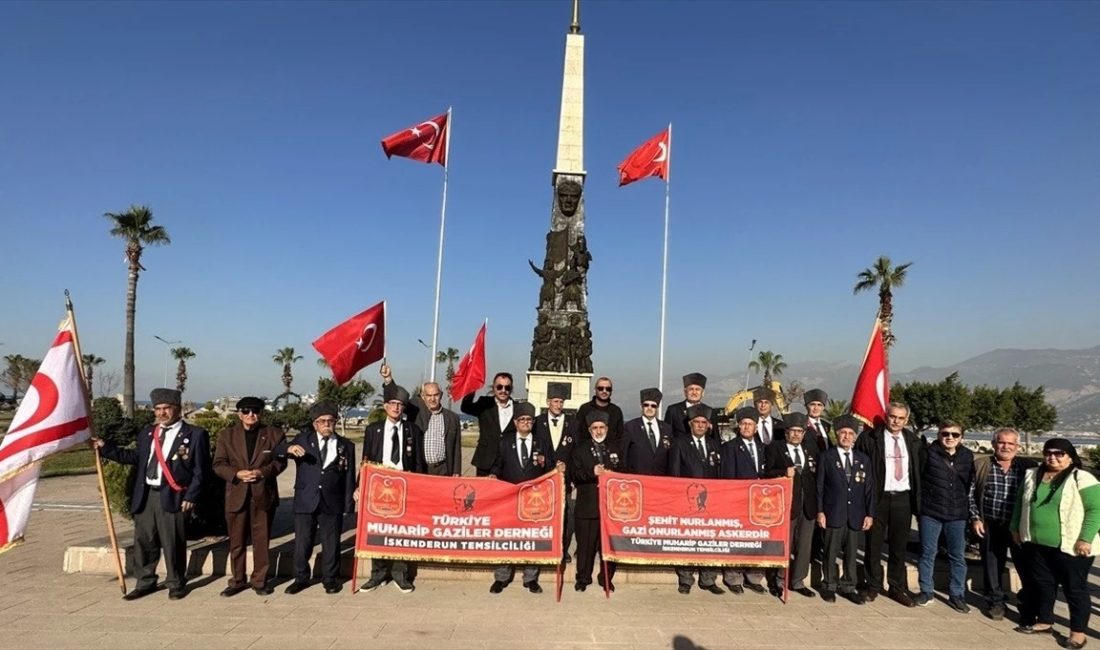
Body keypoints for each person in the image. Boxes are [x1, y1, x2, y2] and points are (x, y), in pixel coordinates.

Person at [92, 388, 210, 601]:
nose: (161, 413)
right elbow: (135, 457)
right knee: (144, 542)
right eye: (158, 409)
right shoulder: (148, 433)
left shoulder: (195, 435)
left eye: (166, 408)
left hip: (173, 495)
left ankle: (176, 583)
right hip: (147, 496)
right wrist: (105, 447)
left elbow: (201, 471)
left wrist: (191, 496)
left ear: (177, 408)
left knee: (173, 542)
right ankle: (145, 581)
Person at [1010, 438, 1100, 649]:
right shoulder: (1032, 474)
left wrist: (1085, 538)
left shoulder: (1082, 478)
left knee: (1074, 589)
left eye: (1060, 454)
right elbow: (1020, 503)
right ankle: (1045, 620)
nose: (1053, 457)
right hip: (1037, 543)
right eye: (1049, 453)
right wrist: (1015, 527)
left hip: (1071, 545)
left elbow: (1096, 510)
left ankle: (1078, 633)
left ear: (1070, 457)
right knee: (1043, 584)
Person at [277, 401, 357, 595]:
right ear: (315, 424)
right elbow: (276, 451)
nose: (327, 424)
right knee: (303, 542)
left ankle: (330, 579)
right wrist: (287, 449)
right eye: (322, 421)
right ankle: (301, 578)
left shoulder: (346, 446)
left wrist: (348, 505)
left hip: (332, 501)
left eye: (330, 421)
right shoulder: (303, 440)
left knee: (331, 543)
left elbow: (349, 477)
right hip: (306, 499)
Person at [211, 396, 286, 597]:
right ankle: (237, 580)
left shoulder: (274, 434)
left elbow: (280, 462)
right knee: (236, 542)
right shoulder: (227, 435)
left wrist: (262, 472)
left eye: (255, 411)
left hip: (263, 494)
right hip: (237, 493)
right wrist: (236, 474)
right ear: (239, 414)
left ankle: (259, 580)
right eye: (246, 411)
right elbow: (218, 463)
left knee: (261, 541)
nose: (251, 415)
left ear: (261, 413)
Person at [855, 401, 925, 606]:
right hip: (878, 498)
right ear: (886, 416)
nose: (896, 421)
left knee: (898, 546)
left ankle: (896, 587)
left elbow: (918, 471)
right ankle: (873, 586)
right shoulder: (869, 438)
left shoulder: (913, 441)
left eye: (901, 418)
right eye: (893, 416)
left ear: (906, 420)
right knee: (873, 545)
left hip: (903, 498)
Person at [361, 383, 426, 593]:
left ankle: (401, 574)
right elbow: (366, 460)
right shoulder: (374, 430)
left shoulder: (413, 430)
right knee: (378, 531)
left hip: (405, 487)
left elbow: (418, 463)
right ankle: (377, 574)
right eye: (393, 404)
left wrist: (418, 486)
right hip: (378, 488)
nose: (396, 408)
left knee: (401, 532)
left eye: (400, 405)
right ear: (385, 406)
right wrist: (359, 486)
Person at [489, 402, 559, 594]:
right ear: (515, 422)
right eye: (522, 420)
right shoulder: (505, 441)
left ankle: (530, 578)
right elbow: (497, 464)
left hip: (533, 500)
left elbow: (551, 467)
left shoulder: (541, 442)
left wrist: (550, 465)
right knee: (507, 538)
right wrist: (494, 475)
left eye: (529, 420)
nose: (526, 423)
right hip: (510, 499)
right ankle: (502, 577)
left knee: (531, 539)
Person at [968, 427, 1036, 620]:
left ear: (1018, 446)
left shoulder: (1029, 468)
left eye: (1010, 443)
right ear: (993, 444)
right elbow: (970, 495)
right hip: (990, 524)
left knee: (1026, 566)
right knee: (992, 565)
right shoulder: (982, 465)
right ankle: (996, 602)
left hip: (1019, 527)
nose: (1005, 446)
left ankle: (1027, 604)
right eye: (1001, 442)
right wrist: (975, 519)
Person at [914, 420, 975, 612]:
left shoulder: (967, 456)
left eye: (955, 435)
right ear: (939, 435)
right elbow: (918, 479)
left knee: (957, 555)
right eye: (945, 434)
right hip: (931, 512)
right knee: (927, 553)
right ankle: (926, 590)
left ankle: (957, 594)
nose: (950, 437)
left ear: (961, 437)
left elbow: (970, 485)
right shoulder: (927, 453)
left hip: (957, 514)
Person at [816, 414, 875, 604]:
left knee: (851, 554)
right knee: (830, 551)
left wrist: (869, 514)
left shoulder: (863, 459)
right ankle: (829, 586)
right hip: (833, 512)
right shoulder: (826, 457)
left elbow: (869, 489)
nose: (847, 437)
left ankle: (849, 586)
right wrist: (820, 511)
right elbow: (819, 487)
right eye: (843, 433)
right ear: (837, 435)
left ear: (855, 437)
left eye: (850, 433)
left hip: (856, 514)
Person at [668, 405, 724, 595]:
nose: (700, 426)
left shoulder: (715, 445)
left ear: (708, 425)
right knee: (687, 540)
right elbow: (674, 473)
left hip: (712, 501)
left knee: (711, 540)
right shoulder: (680, 443)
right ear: (690, 424)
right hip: (687, 500)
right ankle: (686, 578)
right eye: (697, 422)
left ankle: (708, 579)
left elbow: (721, 474)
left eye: (703, 423)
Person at [762, 412, 818, 598]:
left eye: (799, 431)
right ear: (786, 433)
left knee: (804, 545)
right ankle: (779, 580)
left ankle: (798, 580)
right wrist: (783, 472)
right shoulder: (775, 448)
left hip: (807, 505)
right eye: (792, 431)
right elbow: (767, 473)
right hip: (786, 505)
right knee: (784, 545)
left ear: (804, 433)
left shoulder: (810, 449)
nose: (796, 434)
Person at [571, 410, 621, 592]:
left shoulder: (615, 448)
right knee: (585, 546)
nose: (599, 431)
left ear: (606, 428)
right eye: (595, 428)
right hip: (588, 506)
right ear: (589, 429)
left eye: (602, 427)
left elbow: (624, 472)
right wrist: (591, 473)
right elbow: (574, 475)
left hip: (611, 508)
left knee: (609, 546)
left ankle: (606, 577)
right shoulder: (580, 450)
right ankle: (583, 578)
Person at [381, 363, 461, 476]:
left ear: (441, 395)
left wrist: (456, 472)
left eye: (436, 395)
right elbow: (397, 396)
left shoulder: (452, 418)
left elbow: (456, 448)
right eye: (428, 395)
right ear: (423, 396)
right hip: (420, 470)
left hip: (443, 470)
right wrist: (388, 379)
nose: (432, 399)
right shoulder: (415, 409)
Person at [720, 407, 767, 594]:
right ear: (739, 426)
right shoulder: (730, 448)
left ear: (756, 427)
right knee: (737, 540)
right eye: (744, 424)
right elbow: (728, 478)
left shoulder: (763, 447)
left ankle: (754, 577)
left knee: (757, 541)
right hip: (738, 501)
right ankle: (733, 577)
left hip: (759, 504)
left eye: (750, 424)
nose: (747, 427)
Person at [533, 383, 579, 562]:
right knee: (542, 513)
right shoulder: (537, 422)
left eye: (561, 401)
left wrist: (573, 476)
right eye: (555, 401)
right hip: (543, 476)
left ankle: (563, 548)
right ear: (548, 402)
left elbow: (575, 452)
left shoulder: (572, 423)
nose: (558, 405)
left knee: (566, 514)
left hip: (564, 478)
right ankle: (544, 546)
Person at [462, 372, 517, 476]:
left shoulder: (518, 408)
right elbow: (465, 408)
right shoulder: (484, 403)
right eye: (499, 387)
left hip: (508, 462)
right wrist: (471, 388)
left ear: (511, 389)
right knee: (483, 492)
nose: (503, 391)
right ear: (494, 387)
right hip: (485, 460)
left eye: (507, 388)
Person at [620, 388, 673, 476]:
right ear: (641, 407)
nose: (649, 408)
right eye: (646, 405)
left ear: (657, 408)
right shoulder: (630, 427)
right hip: (637, 479)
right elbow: (623, 456)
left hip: (660, 479)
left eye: (653, 406)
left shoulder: (667, 429)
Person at [663, 373, 718, 440]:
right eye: (691, 389)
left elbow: (716, 438)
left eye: (697, 389)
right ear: (685, 392)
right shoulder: (673, 410)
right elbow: (666, 436)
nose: (694, 392)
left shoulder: (710, 412)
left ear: (703, 393)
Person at [576, 377, 625, 448]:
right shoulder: (585, 409)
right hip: (586, 454)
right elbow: (577, 433)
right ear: (595, 390)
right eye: (600, 388)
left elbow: (620, 436)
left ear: (611, 391)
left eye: (608, 389)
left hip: (610, 454)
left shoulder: (616, 411)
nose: (604, 391)